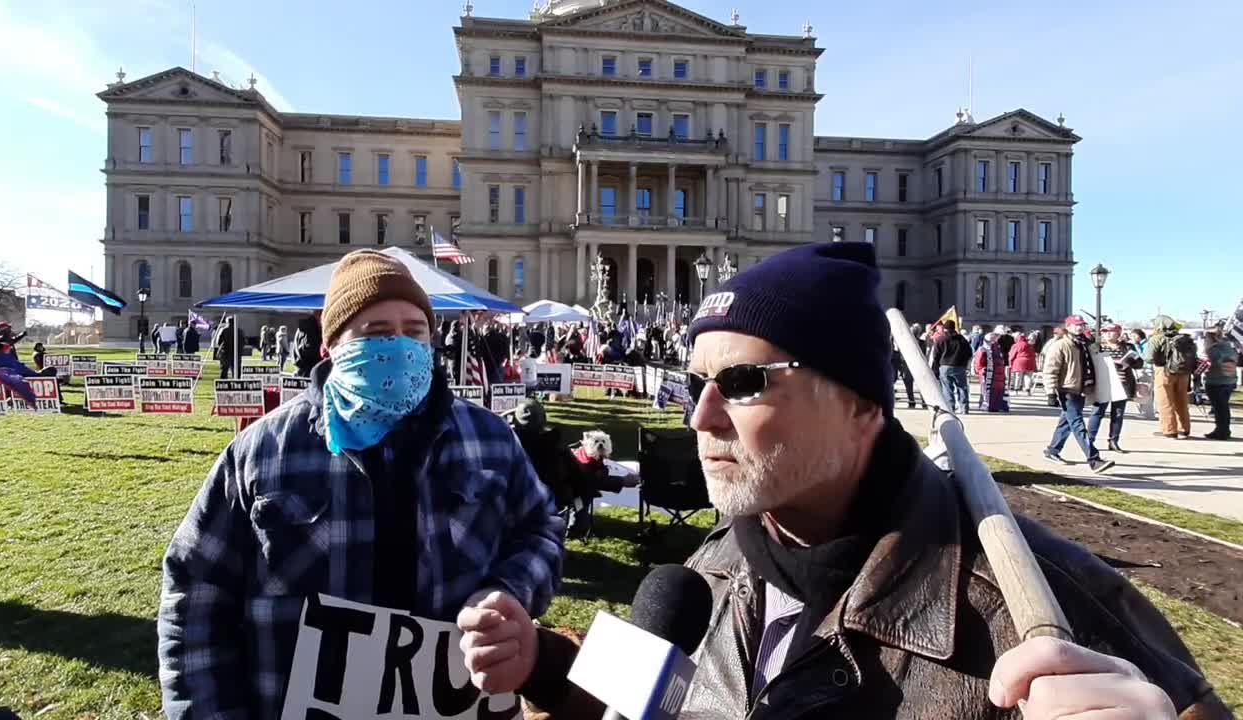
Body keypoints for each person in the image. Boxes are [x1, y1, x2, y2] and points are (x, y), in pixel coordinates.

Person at [458, 244, 1227, 720]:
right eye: (696, 382)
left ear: (862, 404)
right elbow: (620, 706)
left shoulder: (1047, 607)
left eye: (744, 381)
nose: (700, 418)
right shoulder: (711, 570)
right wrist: (546, 672)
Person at [159, 250, 564, 718]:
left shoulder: (489, 439)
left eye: (415, 333)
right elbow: (195, 594)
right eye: (376, 333)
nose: (399, 346)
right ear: (332, 345)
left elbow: (541, 529)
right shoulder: (262, 452)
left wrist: (508, 591)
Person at [1042, 315, 1115, 473]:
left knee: (1067, 422)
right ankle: (1094, 459)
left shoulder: (1085, 344)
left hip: (1081, 390)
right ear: (1068, 327)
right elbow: (1050, 371)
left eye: (1081, 325)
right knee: (1077, 425)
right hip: (1067, 390)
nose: (1080, 328)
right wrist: (1050, 393)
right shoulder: (1060, 345)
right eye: (1076, 325)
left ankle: (1052, 450)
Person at [1089, 323, 1143, 453]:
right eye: (1105, 331)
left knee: (1117, 414)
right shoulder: (1096, 347)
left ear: (1118, 333)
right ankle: (1089, 441)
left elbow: (1139, 363)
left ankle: (1113, 441)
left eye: (1110, 331)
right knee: (1097, 412)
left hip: (1122, 384)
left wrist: (1130, 361)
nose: (1107, 334)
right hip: (1103, 384)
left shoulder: (1127, 347)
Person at [1147, 314, 1196, 439]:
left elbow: (1149, 358)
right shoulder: (1184, 338)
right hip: (1184, 373)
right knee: (1182, 400)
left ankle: (1169, 430)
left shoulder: (1157, 338)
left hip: (1164, 371)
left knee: (1165, 401)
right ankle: (1184, 428)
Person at [1203, 328, 1238, 440]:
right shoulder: (1230, 348)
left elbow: (1211, 363)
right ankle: (1223, 429)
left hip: (1216, 381)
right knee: (1224, 407)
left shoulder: (1214, 350)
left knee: (1219, 408)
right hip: (1230, 380)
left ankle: (1221, 431)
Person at [935, 319, 972, 413]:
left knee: (947, 388)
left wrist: (937, 366)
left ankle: (950, 407)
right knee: (962, 387)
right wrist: (964, 363)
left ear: (945, 328)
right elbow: (969, 353)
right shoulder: (961, 339)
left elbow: (936, 355)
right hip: (959, 366)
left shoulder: (941, 339)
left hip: (945, 366)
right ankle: (964, 408)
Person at [973, 330, 1009, 412]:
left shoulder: (983, 349)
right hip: (998, 374)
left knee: (987, 391)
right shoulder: (998, 349)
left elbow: (979, 363)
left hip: (989, 373)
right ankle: (996, 406)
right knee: (997, 391)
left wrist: (979, 371)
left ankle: (988, 405)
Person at [292, 312, 322, 377]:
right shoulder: (311, 328)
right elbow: (309, 348)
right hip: (309, 369)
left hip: (302, 366)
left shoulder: (303, 328)